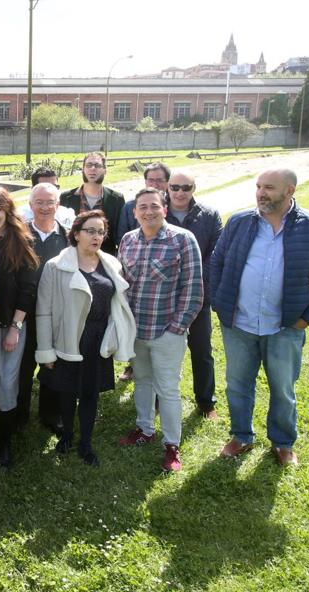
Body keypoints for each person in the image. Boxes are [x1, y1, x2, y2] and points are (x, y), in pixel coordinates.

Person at [211, 169, 309, 466]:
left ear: (289, 190)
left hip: (285, 325)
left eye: (268, 187)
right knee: (237, 384)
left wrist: (308, 317)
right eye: (258, 186)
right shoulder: (239, 221)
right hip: (239, 323)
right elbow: (217, 261)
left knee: (283, 387)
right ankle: (241, 436)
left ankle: (283, 443)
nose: (261, 193)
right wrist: (219, 301)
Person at [35, 210, 136, 466]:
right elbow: (44, 311)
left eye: (101, 232)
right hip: (68, 339)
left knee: (91, 393)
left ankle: (86, 443)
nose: (96, 236)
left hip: (98, 339)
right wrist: (46, 350)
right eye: (90, 231)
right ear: (76, 234)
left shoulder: (111, 264)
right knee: (68, 392)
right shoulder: (56, 266)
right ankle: (67, 435)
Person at [117, 187, 204, 473]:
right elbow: (122, 285)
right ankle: (144, 429)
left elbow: (193, 288)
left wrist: (177, 328)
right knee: (142, 381)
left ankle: (171, 444)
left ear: (164, 209)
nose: (148, 211)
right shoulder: (128, 240)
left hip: (167, 330)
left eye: (154, 206)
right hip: (136, 330)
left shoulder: (183, 239)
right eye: (142, 207)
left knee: (167, 389)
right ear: (135, 212)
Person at [0, 186, 39, 468]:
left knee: (8, 382)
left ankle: (6, 442)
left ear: (8, 210)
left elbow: (28, 289)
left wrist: (15, 327)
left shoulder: (21, 241)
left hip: (12, 325)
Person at [164, 171, 223, 419]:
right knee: (162, 351)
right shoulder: (157, 211)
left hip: (197, 295)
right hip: (164, 296)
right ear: (168, 187)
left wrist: (192, 281)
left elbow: (216, 254)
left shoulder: (209, 215)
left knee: (201, 350)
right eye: (175, 187)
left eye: (185, 187)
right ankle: (158, 399)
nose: (180, 192)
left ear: (194, 188)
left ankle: (206, 402)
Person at [18, 183, 70, 435]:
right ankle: (20, 413)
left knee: (53, 364)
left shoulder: (68, 238)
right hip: (25, 311)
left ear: (57, 205)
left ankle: (51, 414)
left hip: (56, 313)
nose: (45, 207)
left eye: (50, 202)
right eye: (39, 202)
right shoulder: (20, 236)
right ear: (31, 205)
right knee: (24, 364)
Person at [114, 162, 170, 383]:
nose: (155, 183)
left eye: (159, 180)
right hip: (135, 269)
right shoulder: (131, 206)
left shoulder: (172, 203)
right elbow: (122, 236)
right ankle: (133, 366)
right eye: (151, 179)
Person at [59, 151, 126, 255]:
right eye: (89, 165)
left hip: (104, 257)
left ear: (105, 170)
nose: (93, 169)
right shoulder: (66, 198)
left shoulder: (116, 199)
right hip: (73, 256)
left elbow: (119, 235)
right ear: (83, 169)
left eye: (97, 165)